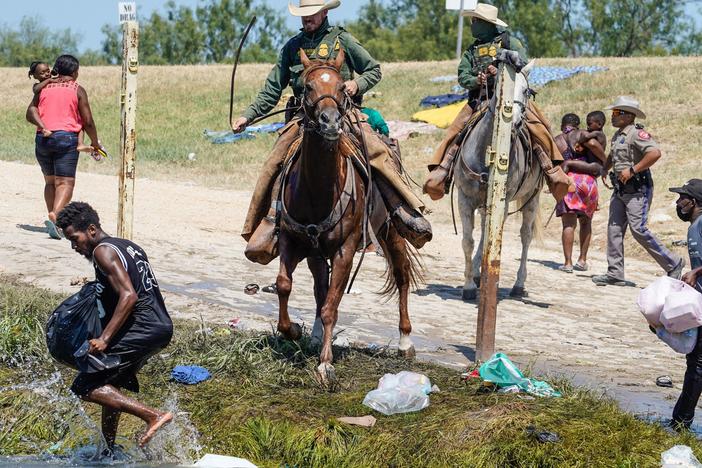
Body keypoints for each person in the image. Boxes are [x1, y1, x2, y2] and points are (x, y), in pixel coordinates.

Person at [232, 0, 431, 262]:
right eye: (303, 15)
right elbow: (271, 89)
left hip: (344, 115)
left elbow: (373, 69)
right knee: (274, 160)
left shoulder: (343, 40)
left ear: (325, 12)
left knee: (377, 152)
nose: (307, 19)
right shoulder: (293, 47)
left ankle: (403, 209)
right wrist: (248, 115)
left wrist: (355, 84)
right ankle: (265, 224)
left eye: (312, 14)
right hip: (305, 120)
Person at [422, 3, 573, 202]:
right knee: (455, 130)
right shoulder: (471, 50)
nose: (472, 25)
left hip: (513, 97)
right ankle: (444, 170)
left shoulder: (510, 41)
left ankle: (551, 170)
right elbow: (462, 76)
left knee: (540, 127)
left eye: (475, 21)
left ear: (486, 24)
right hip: (480, 100)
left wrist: (500, 66)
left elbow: (523, 65)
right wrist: (477, 80)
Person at [56, 202, 174, 450]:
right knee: (109, 383)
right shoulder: (128, 246)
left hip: (143, 328)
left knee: (84, 384)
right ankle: (108, 450)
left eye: (74, 239)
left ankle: (153, 415)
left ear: (91, 229)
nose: (74, 246)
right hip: (160, 326)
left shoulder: (102, 252)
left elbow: (129, 295)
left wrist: (105, 338)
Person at [592, 96, 684, 286]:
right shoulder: (619, 135)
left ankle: (673, 263)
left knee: (638, 229)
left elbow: (655, 153)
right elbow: (613, 154)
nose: (613, 117)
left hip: (638, 189)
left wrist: (633, 169)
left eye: (617, 113)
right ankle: (615, 273)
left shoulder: (637, 134)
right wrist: (605, 168)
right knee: (614, 229)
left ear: (628, 116)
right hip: (621, 189)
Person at [26, 55, 102, 239]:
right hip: (66, 138)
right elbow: (88, 121)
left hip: (43, 138)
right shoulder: (77, 89)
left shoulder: (43, 88)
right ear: (75, 72)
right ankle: (56, 216)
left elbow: (30, 112)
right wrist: (94, 141)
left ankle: (53, 220)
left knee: (50, 182)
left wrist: (44, 126)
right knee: (65, 182)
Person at [667, 179, 702, 430]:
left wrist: (697, 272)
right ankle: (680, 420)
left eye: (683, 198)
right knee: (696, 361)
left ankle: (681, 422)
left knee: (697, 363)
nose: (678, 203)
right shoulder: (695, 226)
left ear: (696, 202)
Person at [554, 113, 606, 272]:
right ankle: (582, 260)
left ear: (563, 124)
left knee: (568, 223)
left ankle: (568, 263)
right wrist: (605, 161)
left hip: (568, 181)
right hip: (588, 182)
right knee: (586, 222)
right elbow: (592, 144)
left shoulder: (556, 140)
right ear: (579, 124)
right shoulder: (581, 134)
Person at [29, 61, 93, 154]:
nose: (46, 74)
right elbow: (35, 90)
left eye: (48, 71)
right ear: (35, 76)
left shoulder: (53, 82)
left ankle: (80, 143)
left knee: (79, 122)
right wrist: (49, 80)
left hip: (54, 133)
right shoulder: (38, 86)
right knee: (79, 123)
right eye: (42, 73)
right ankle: (44, 129)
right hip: (57, 129)